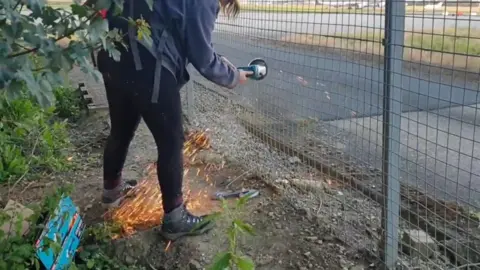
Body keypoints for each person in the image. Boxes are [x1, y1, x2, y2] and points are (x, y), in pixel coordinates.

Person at [95, 0, 252, 241]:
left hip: (114, 59)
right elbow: (202, 56)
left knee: (120, 131)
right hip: (150, 67)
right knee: (171, 142)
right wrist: (234, 75)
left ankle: (111, 192)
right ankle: (175, 219)